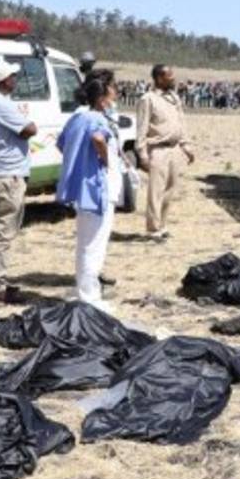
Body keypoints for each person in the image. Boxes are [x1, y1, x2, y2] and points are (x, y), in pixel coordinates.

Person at [58, 78, 121, 309]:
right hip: (98, 187)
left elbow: (61, 143)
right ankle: (90, 296)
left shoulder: (77, 118)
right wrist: (104, 159)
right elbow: (97, 138)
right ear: (102, 99)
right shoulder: (97, 119)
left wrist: (79, 161)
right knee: (95, 244)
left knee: (85, 241)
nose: (113, 100)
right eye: (111, 96)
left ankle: (82, 289)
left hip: (82, 187)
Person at [0, 59, 37, 302]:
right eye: (12, 76)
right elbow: (30, 129)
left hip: (0, 172)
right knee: (4, 233)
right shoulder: (0, 104)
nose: (15, 79)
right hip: (8, 174)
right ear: (4, 80)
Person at [135, 64, 195, 239]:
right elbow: (141, 129)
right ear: (159, 78)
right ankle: (153, 229)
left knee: (170, 190)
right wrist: (143, 155)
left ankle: (162, 225)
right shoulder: (148, 99)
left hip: (174, 149)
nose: (173, 78)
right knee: (156, 191)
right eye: (169, 75)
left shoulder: (174, 99)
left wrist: (186, 146)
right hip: (158, 150)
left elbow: (181, 124)